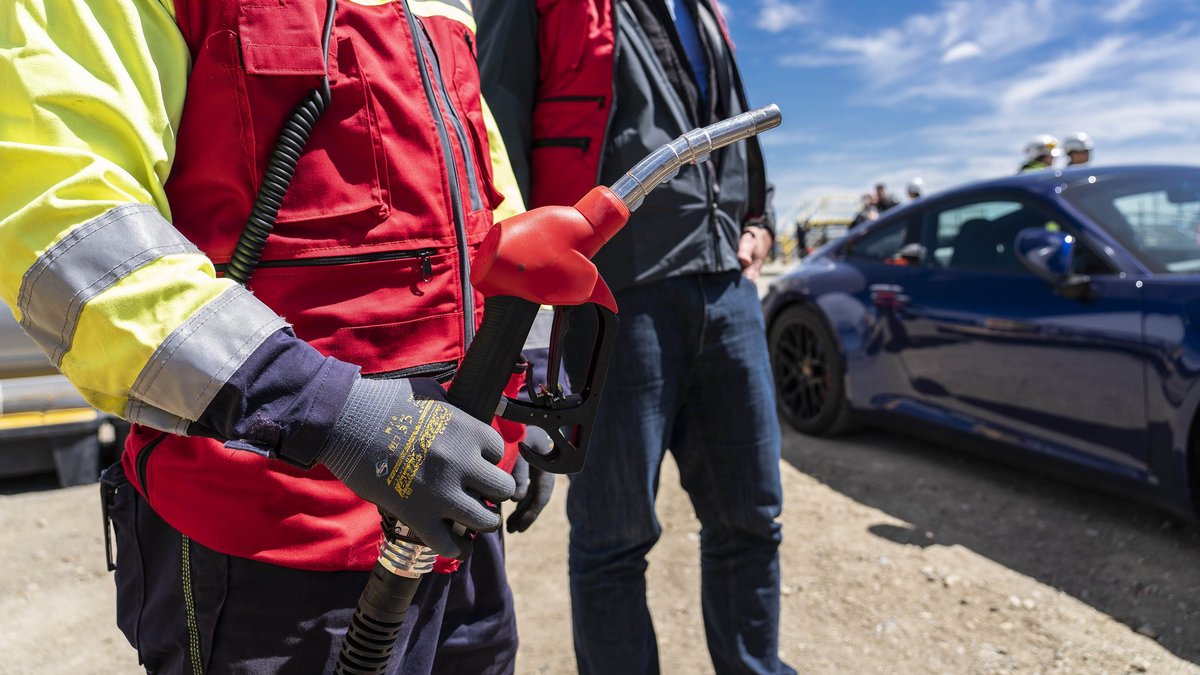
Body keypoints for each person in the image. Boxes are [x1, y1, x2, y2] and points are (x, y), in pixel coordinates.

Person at [0, 1, 557, 672]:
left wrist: (516, 380)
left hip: (452, 524)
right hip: (264, 553)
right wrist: (333, 414)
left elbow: (482, 188)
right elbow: (66, 218)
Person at [475, 2, 795, 674]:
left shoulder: (705, 9)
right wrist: (526, 340)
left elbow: (729, 119)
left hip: (727, 287)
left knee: (753, 518)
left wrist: (758, 213)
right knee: (614, 536)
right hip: (614, 295)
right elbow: (493, 139)